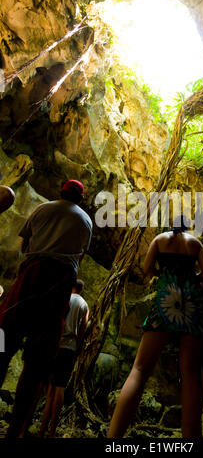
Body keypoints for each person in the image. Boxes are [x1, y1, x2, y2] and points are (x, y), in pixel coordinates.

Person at [0, 179, 92, 438]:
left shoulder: (43, 208)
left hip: (31, 276)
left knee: (4, 340)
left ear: (60, 191)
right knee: (37, 363)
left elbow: (24, 245)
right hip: (59, 285)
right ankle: (16, 430)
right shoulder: (86, 221)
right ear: (80, 198)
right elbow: (79, 257)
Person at [107, 215, 203, 438]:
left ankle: (113, 437)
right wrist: (191, 277)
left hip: (165, 301)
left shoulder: (159, 239)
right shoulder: (195, 243)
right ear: (187, 226)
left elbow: (146, 268)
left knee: (140, 369)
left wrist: (163, 274)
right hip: (190, 305)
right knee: (191, 372)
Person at [39, 279, 89, 438]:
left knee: (49, 391)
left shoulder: (65, 297)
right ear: (81, 289)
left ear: (72, 286)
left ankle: (41, 430)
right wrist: (77, 347)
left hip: (56, 345)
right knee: (60, 388)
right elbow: (83, 329)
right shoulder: (84, 305)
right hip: (69, 348)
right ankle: (52, 431)